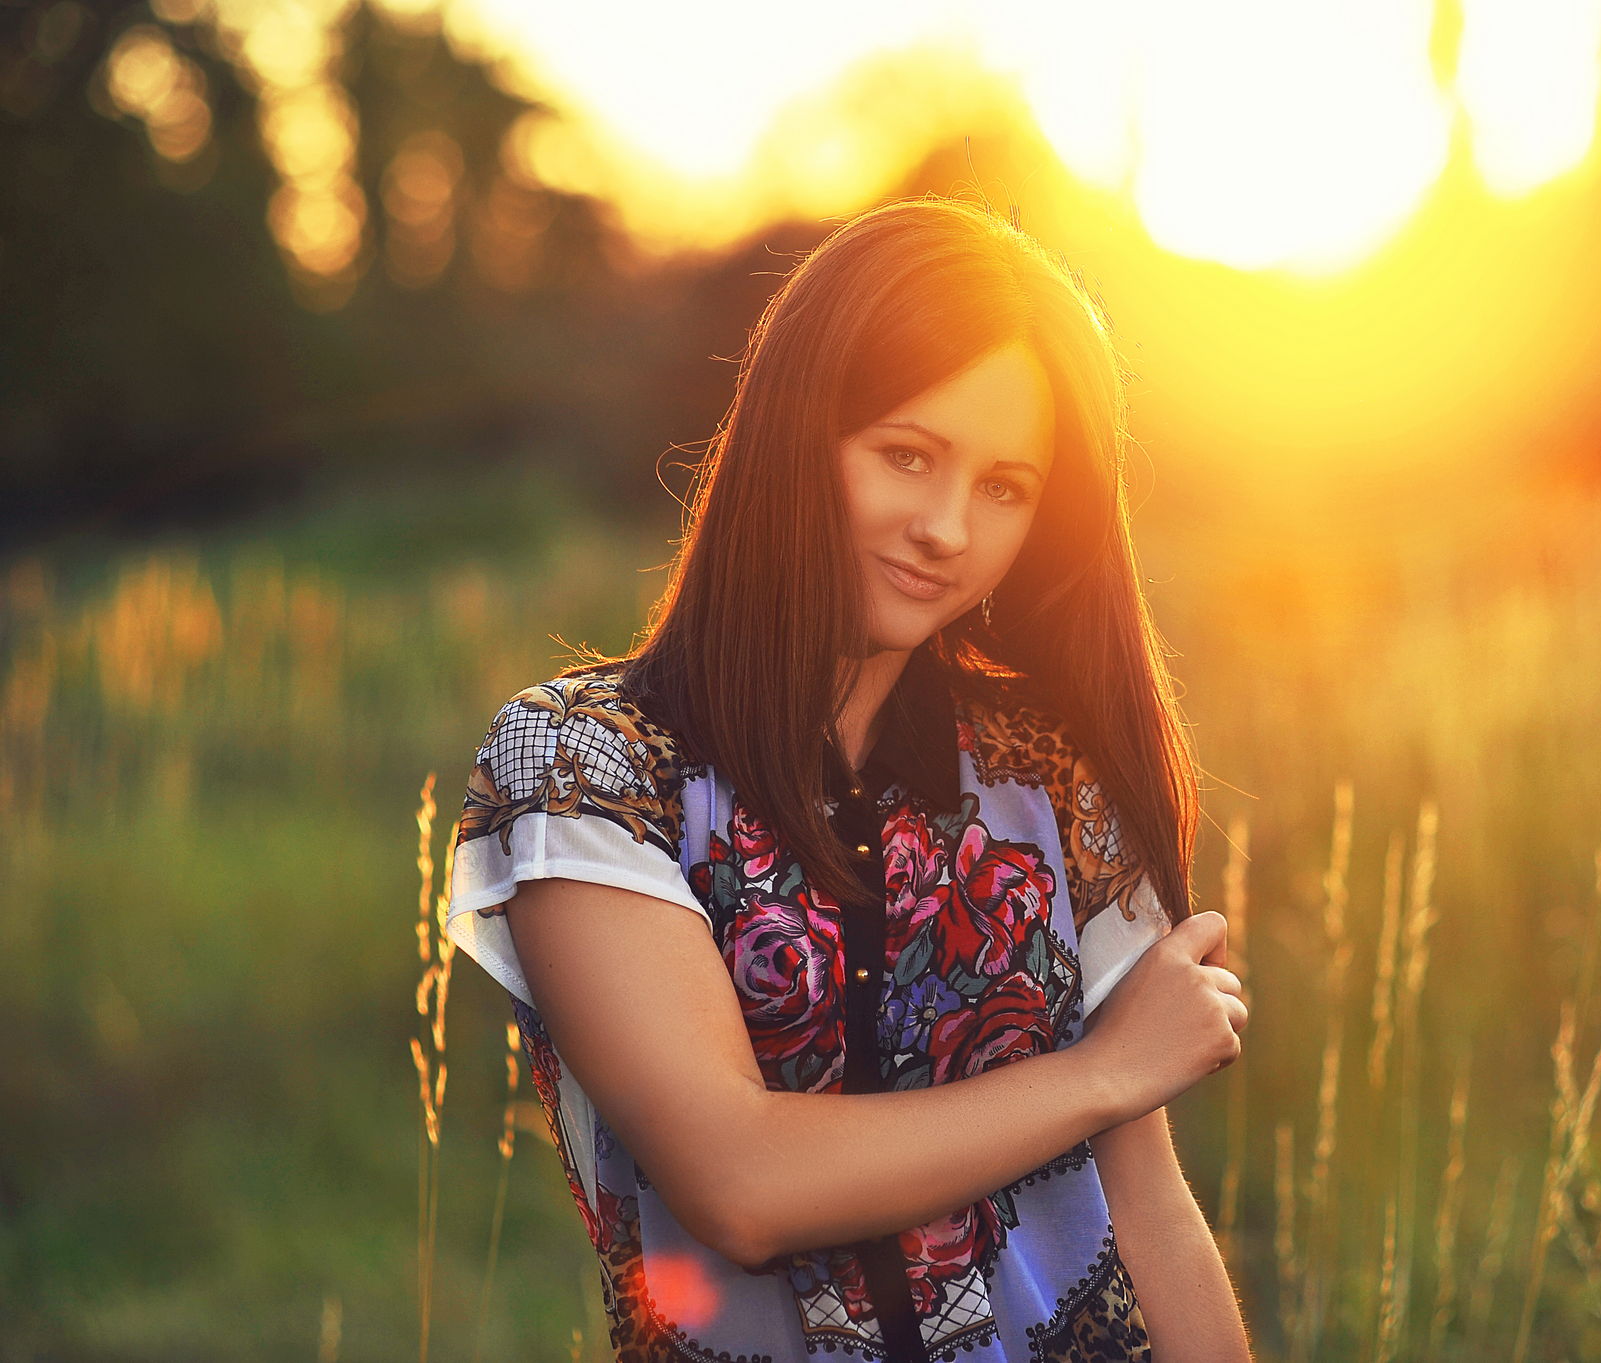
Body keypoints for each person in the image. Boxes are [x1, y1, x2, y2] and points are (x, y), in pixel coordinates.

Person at [445, 195, 1251, 1361]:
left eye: (1004, 486)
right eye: (906, 455)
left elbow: (1150, 1211)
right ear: (796, 432)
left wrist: (1117, 1090)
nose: (945, 526)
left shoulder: (1050, 776)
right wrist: (1106, 1072)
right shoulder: (585, 766)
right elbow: (738, 1182)